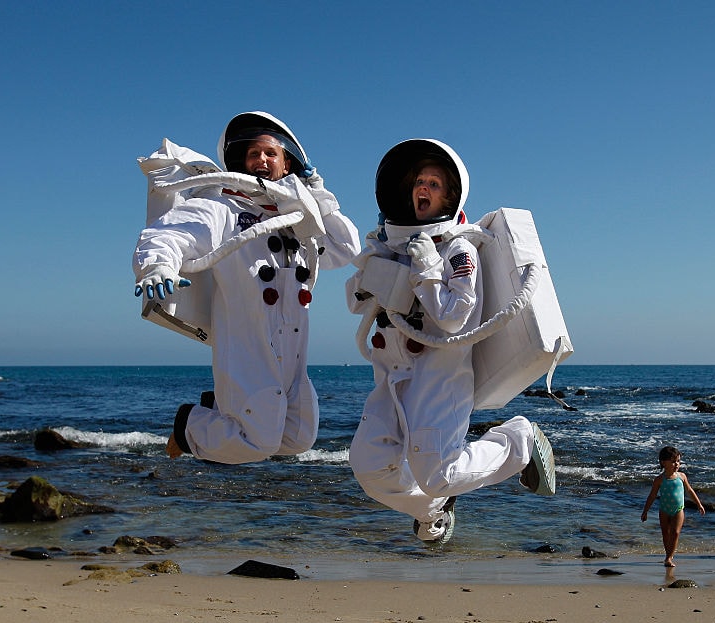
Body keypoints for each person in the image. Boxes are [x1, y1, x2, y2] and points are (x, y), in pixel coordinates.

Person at [345, 139, 555, 545]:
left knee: (439, 474)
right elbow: (357, 305)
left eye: (434, 183)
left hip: (439, 378)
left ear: (451, 196)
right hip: (391, 374)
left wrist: (425, 266)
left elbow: (455, 316)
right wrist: (371, 268)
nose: (424, 188)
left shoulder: (460, 248)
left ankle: (520, 440)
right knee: (370, 466)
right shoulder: (393, 245)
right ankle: (433, 512)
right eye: (419, 181)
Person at [133, 112, 360, 464]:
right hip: (245, 338)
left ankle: (216, 409)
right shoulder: (224, 205)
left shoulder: (299, 216)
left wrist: (316, 191)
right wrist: (157, 265)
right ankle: (187, 426)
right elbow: (172, 233)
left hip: (292, 344)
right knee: (254, 441)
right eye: (254, 154)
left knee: (299, 435)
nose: (261, 160)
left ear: (288, 165)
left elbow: (346, 248)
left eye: (271, 153)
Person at [641, 445, 706, 567]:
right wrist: (645, 511)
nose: (676, 464)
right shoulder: (659, 479)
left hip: (678, 510)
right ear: (663, 463)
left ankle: (670, 557)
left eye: (678, 461)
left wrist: (699, 504)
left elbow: (690, 491)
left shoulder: (682, 477)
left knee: (675, 533)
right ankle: (667, 555)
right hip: (664, 510)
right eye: (673, 461)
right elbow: (652, 496)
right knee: (665, 533)